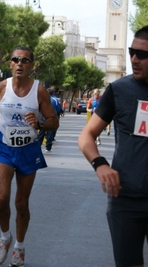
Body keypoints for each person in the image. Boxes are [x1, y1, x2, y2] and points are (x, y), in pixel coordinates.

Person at [78, 25, 148, 267]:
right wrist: (100, 165)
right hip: (126, 199)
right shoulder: (119, 90)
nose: (134, 59)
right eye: (132, 52)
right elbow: (87, 135)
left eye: (143, 55)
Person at [0, 46, 59, 266]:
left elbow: (54, 121)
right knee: (1, 199)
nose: (19, 63)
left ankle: (19, 246)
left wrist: (40, 123)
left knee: (21, 203)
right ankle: (5, 237)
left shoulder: (39, 90)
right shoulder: (0, 87)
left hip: (28, 150)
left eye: (25, 61)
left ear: (31, 66)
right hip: (4, 148)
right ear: (10, 64)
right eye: (15, 59)